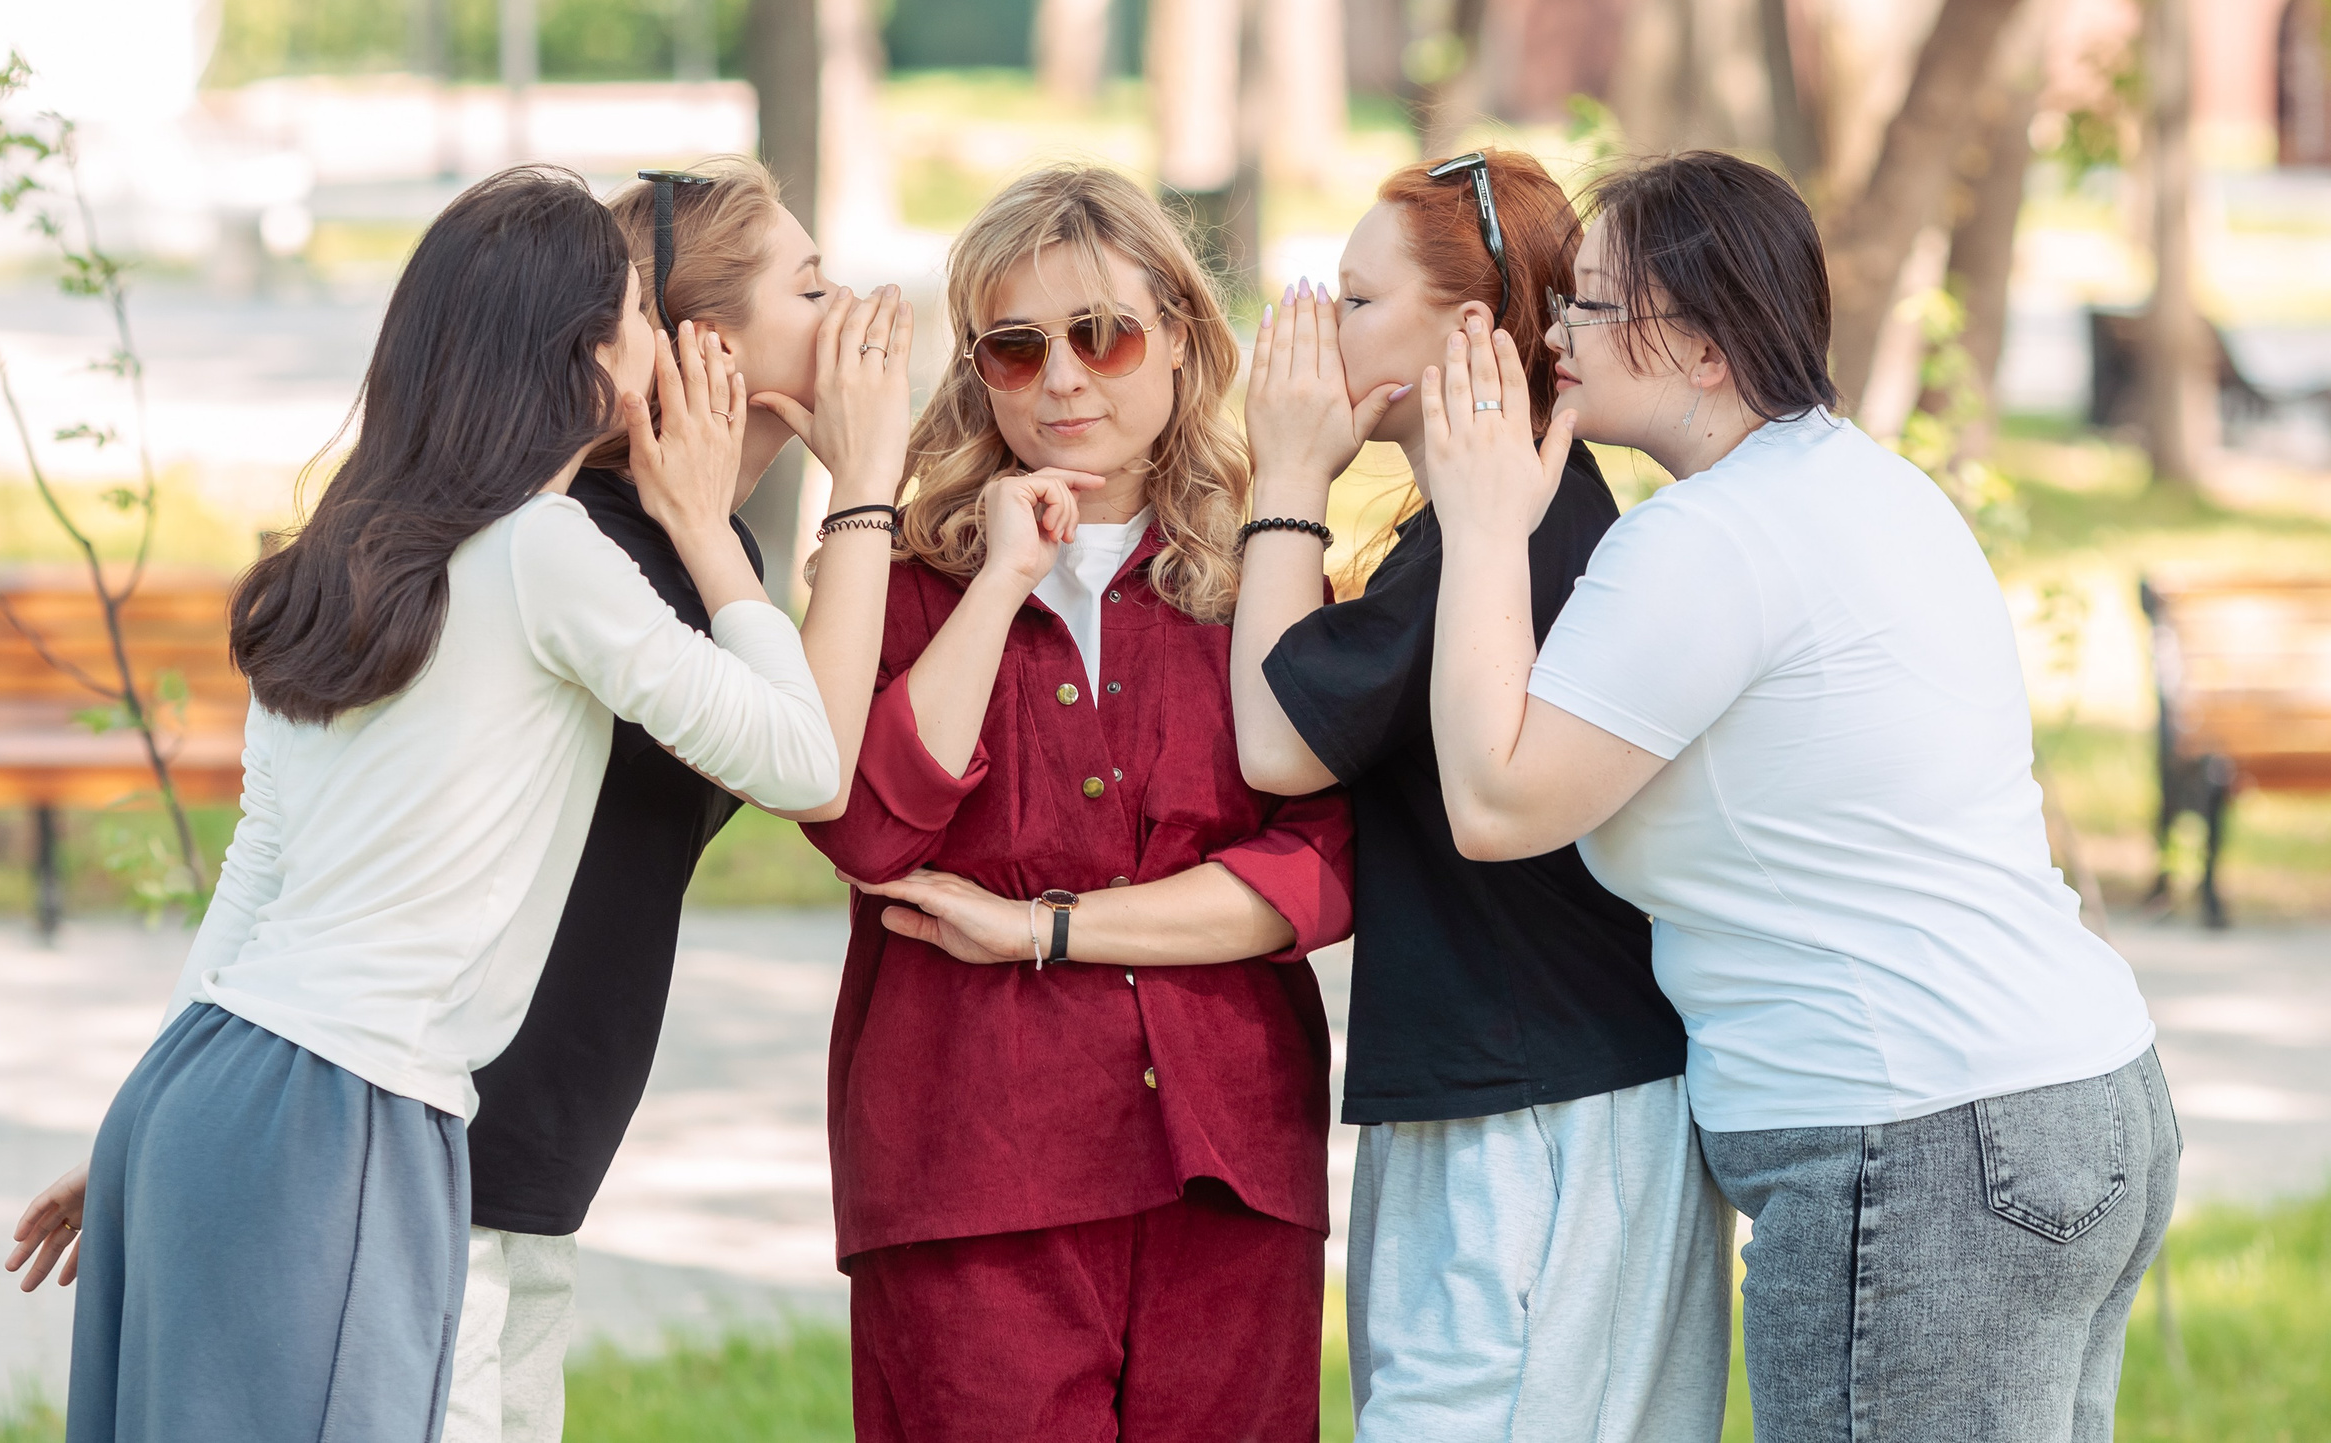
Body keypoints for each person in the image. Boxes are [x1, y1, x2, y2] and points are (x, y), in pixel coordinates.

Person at [2, 167, 843, 1443]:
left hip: (207, 1088)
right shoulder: (548, 553)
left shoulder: (339, 559)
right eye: (632, 315)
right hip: (356, 1110)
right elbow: (801, 761)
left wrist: (134, 1122)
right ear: (584, 357)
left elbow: (258, 872)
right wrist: (712, 531)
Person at [1416, 149, 2174, 1443]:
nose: (1554, 331)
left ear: (1705, 347)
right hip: (2082, 1096)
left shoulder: (1707, 539)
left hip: (1920, 1144)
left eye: (1589, 305)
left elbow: (1496, 802)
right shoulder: (1866, 484)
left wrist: (1481, 524)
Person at [803, 163, 1353, 1443]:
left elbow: (1320, 870)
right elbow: (868, 828)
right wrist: (1003, 579)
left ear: (1177, 338)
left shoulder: (1261, 574)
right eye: (1015, 348)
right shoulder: (900, 577)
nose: (1064, 381)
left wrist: (1044, 931)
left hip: (1228, 1159)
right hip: (969, 1168)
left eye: (1103, 336)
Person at [1230, 150, 1729, 1441]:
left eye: (1351, 299)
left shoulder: (1495, 528)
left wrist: (1288, 475)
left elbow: (1278, 739)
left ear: (1461, 329)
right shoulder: (1495, 513)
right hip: (1526, 1089)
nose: (1313, 329)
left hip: (1539, 1103)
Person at [442, 157, 911, 1443]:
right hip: (459, 1134)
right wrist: (863, 482)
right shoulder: (591, 551)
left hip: (527, 1145)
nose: (853, 307)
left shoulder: (698, 552)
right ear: (704, 345)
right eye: (811, 287)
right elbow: (820, 767)